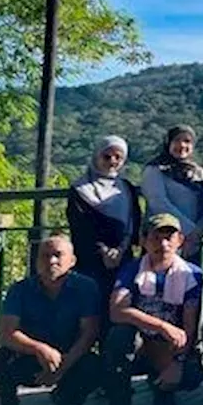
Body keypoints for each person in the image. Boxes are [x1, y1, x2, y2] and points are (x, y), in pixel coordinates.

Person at [0, 235, 103, 405]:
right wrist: (40, 349)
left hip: (70, 355)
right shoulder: (20, 289)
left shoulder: (86, 288)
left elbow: (89, 333)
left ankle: (67, 402)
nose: (51, 261)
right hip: (31, 356)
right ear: (37, 261)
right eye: (45, 256)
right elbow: (7, 334)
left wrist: (62, 368)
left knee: (95, 366)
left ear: (72, 261)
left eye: (58, 255)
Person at [103, 213, 203, 405]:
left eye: (169, 237)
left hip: (171, 347)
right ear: (144, 241)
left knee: (192, 373)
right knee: (118, 337)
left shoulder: (192, 275)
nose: (163, 244)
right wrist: (161, 326)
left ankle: (163, 390)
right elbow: (116, 311)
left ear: (180, 241)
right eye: (156, 238)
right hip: (141, 343)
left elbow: (190, 326)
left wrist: (177, 362)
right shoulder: (132, 270)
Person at [67, 135, 141, 330]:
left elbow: (133, 221)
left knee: (121, 304)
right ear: (96, 156)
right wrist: (103, 251)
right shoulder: (79, 189)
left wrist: (121, 250)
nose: (112, 162)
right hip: (91, 260)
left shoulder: (127, 188)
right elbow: (80, 226)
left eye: (118, 157)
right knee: (92, 307)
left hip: (123, 259)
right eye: (106, 156)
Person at [140, 125, 203, 261]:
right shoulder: (155, 170)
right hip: (163, 239)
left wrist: (199, 233)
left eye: (187, 141)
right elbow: (158, 203)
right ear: (168, 143)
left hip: (194, 242)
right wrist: (188, 231)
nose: (182, 145)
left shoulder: (198, 172)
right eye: (177, 140)